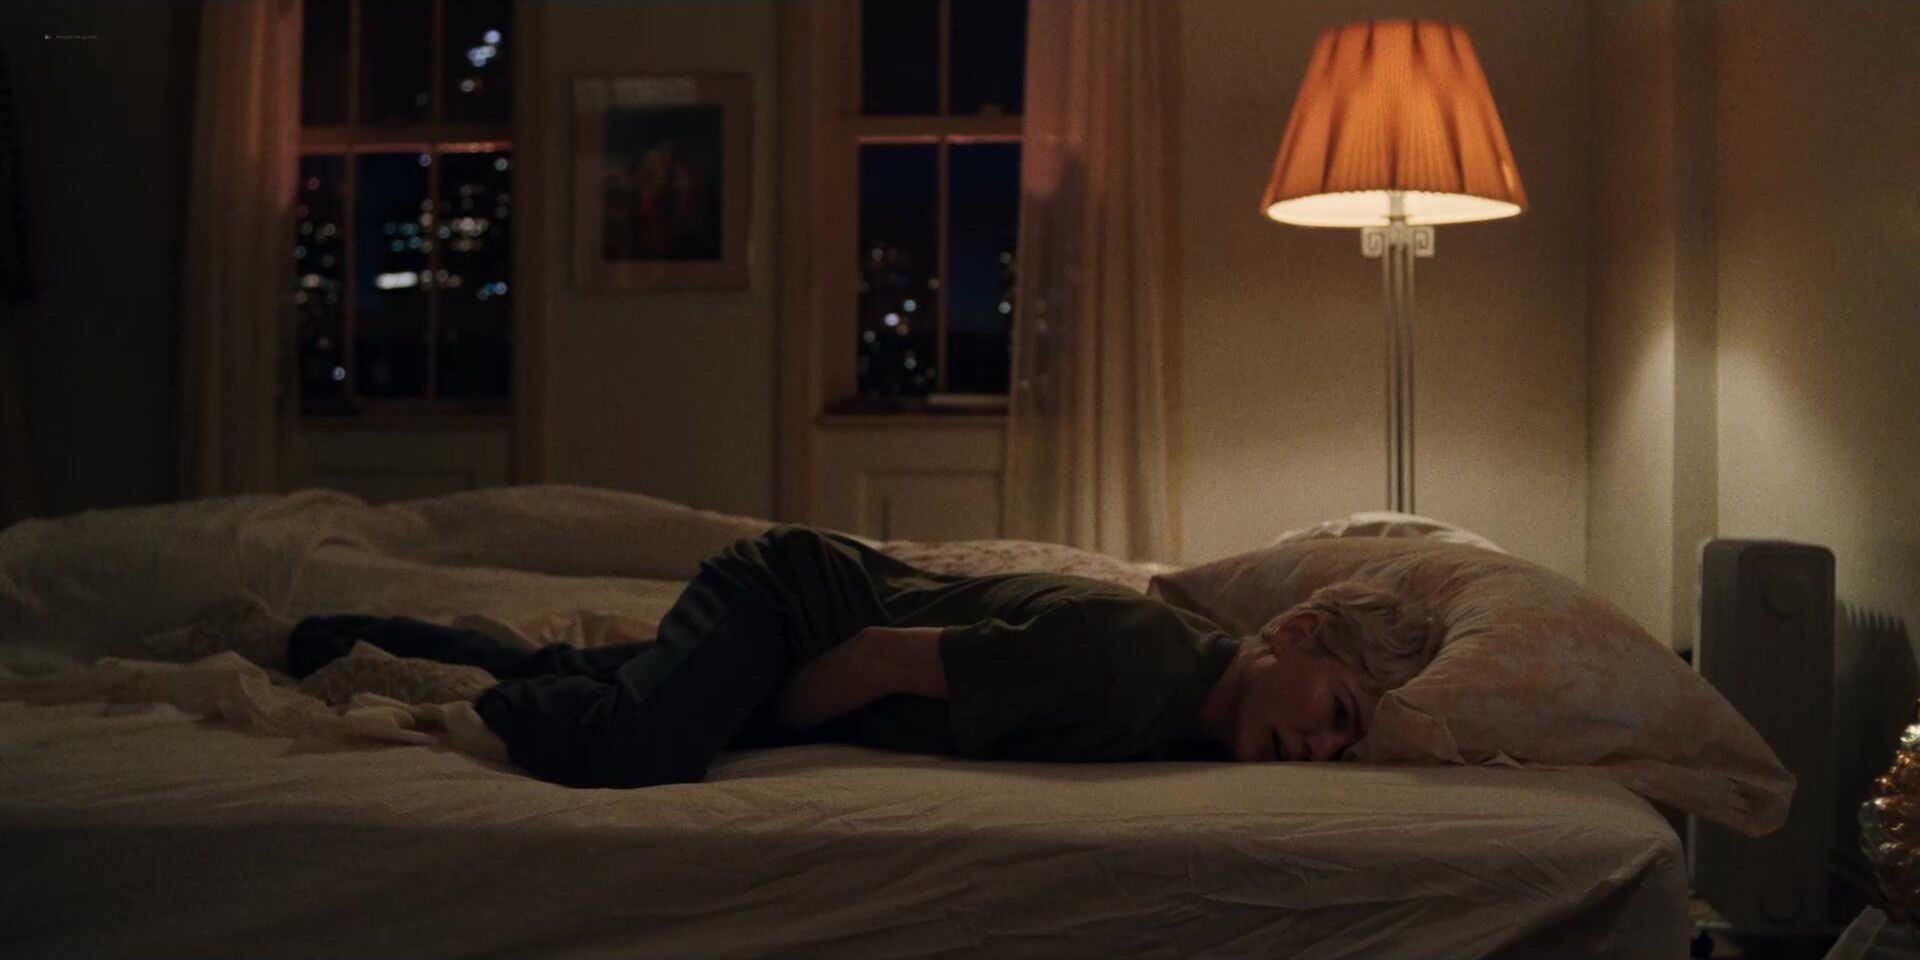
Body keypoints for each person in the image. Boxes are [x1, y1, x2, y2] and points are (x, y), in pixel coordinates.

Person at [284, 526, 1442, 789]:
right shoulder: (1134, 667)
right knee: (642, 744)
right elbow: (882, 657)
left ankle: (336, 641)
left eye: (1346, 745)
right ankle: (441, 687)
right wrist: (760, 723)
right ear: (1294, 636)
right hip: (793, 607)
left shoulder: (1187, 705)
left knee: (616, 685)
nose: (1324, 749)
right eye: (1339, 711)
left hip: (816, 625)